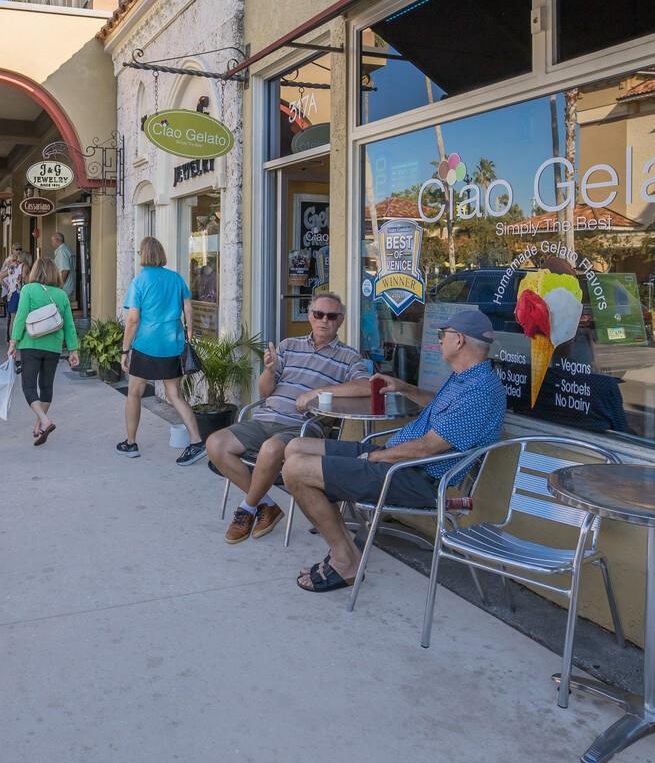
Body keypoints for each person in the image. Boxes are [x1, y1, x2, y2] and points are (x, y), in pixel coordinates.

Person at [283, 310, 505, 593]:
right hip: (397, 460)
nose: (439, 341)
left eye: (442, 335)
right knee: (296, 447)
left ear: (459, 340)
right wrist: (404, 388)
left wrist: (374, 458)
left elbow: (427, 447)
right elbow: (437, 405)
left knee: (296, 470)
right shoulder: (465, 378)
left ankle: (344, 561)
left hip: (416, 477)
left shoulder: (480, 391)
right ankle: (348, 547)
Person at [205, 290, 370, 543]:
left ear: (340, 320)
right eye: (319, 314)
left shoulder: (348, 356)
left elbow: (366, 386)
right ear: (310, 316)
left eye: (331, 316)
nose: (324, 320)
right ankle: (266, 505)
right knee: (215, 443)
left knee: (271, 449)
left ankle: (246, 509)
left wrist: (317, 392)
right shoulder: (289, 346)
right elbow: (264, 392)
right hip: (266, 417)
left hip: (302, 428)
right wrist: (269, 371)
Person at [117, 236, 203, 460]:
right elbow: (188, 308)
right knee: (175, 394)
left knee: (134, 393)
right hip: (172, 344)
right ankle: (196, 441)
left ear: (143, 255)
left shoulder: (139, 281)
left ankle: (131, 443)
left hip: (147, 345)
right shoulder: (175, 278)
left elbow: (133, 319)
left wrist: (125, 350)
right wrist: (189, 333)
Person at [8, 258, 80, 446]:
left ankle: (45, 421)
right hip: (53, 346)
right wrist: (73, 350)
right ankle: (39, 425)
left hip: (30, 344)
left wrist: (13, 341)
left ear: (35, 271)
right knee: (46, 386)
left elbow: (20, 318)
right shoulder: (61, 295)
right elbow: (69, 325)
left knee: (29, 386)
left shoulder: (28, 290)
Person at [50, 232, 76, 303]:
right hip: (67, 285)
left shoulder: (62, 251)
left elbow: (65, 270)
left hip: (65, 286)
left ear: (57, 240)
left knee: (59, 306)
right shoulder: (64, 249)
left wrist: (60, 285)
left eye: (52, 240)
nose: (51, 243)